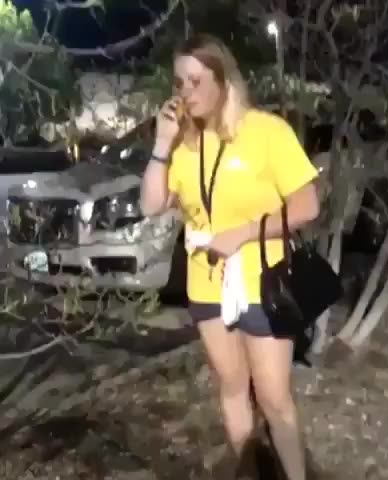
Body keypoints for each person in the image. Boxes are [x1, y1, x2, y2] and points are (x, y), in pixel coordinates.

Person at [140, 33, 325, 480]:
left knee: (274, 398)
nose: (186, 92)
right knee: (232, 388)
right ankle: (251, 471)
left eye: (197, 81)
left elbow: (307, 206)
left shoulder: (266, 132)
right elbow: (150, 204)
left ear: (223, 80)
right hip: (206, 284)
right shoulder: (183, 143)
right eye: (180, 82)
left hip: (264, 280)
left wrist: (241, 234)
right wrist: (162, 144)